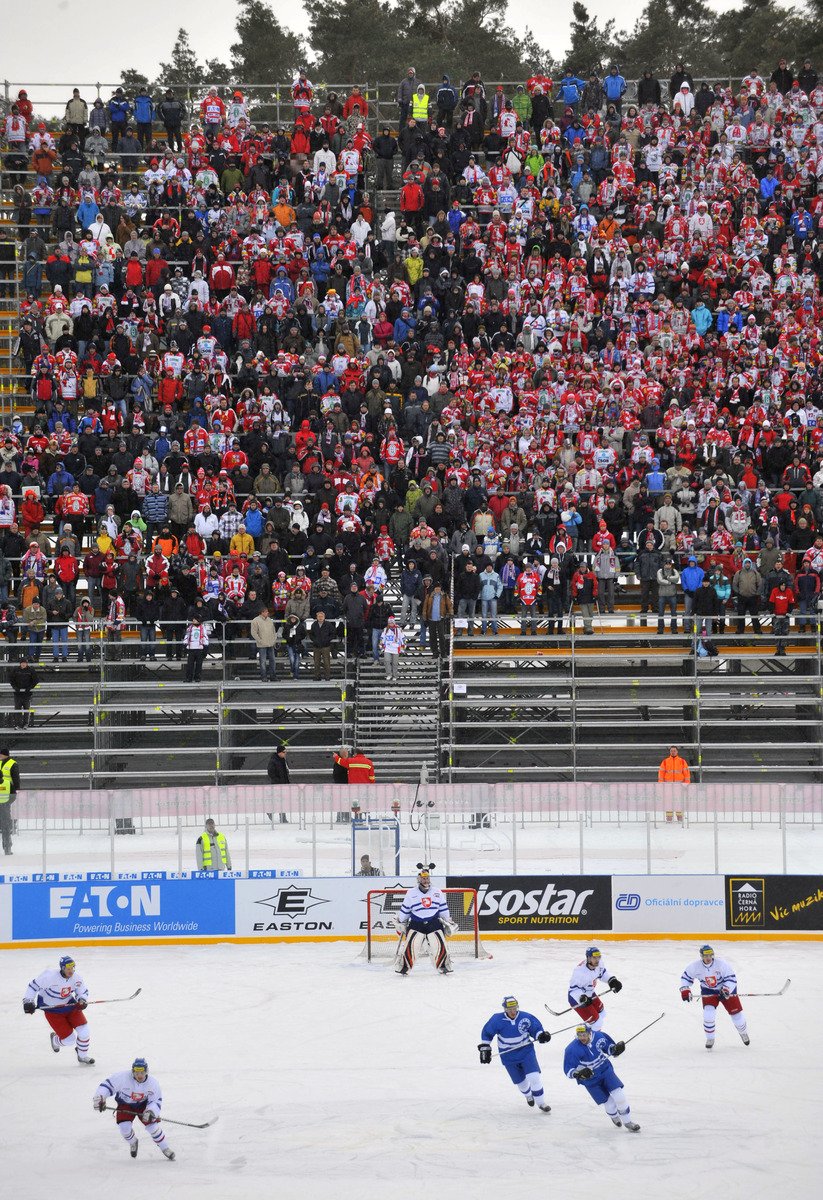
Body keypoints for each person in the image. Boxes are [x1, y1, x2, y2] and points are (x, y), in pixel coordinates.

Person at [478, 996, 552, 1112]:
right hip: (508, 1056)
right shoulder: (497, 1020)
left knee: (534, 1077)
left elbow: (536, 1029)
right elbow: (487, 1033)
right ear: (505, 1009)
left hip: (526, 1051)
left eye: (514, 1008)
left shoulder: (526, 1017)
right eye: (509, 1009)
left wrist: (541, 1035)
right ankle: (528, 1095)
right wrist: (485, 1048)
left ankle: (541, 1103)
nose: (512, 1011)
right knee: (521, 1083)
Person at [93, 1057, 175, 1160]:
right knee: (124, 1128)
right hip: (125, 1105)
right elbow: (107, 1085)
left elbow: (156, 1101)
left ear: (146, 1071)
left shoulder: (153, 1083)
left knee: (152, 1127)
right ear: (133, 1071)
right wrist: (101, 1097)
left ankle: (165, 1148)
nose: (139, 1076)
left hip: (144, 1106)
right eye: (136, 1073)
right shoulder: (122, 1077)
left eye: (142, 1072)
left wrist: (151, 1111)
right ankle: (133, 1142)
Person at [563, 1023, 639, 1131]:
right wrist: (578, 1073)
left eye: (584, 1035)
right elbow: (568, 1069)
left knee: (620, 1096)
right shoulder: (572, 1049)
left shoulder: (599, 1036)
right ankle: (614, 1116)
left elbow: (609, 1048)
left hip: (605, 1070)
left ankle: (628, 1122)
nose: (582, 1038)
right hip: (590, 1080)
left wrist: (616, 1049)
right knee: (610, 1103)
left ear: (590, 1033)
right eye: (579, 1035)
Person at [22, 954, 94, 1063]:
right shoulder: (49, 976)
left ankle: (82, 1056)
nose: (71, 971)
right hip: (53, 1011)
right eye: (68, 969)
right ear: (62, 968)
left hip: (70, 1006)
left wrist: (82, 1000)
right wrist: (28, 1001)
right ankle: (55, 1040)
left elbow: (82, 992)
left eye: (73, 968)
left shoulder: (76, 978)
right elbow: (33, 986)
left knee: (85, 1032)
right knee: (69, 1041)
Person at [680, 944, 750, 1050]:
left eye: (710, 955)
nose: (708, 958)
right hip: (708, 990)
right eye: (705, 956)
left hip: (725, 989)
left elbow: (732, 979)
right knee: (708, 1015)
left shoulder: (721, 964)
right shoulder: (695, 966)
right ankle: (710, 1038)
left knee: (736, 1015)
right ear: (701, 956)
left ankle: (743, 1033)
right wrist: (685, 989)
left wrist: (726, 990)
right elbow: (685, 978)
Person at [394, 868, 456, 975]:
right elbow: (405, 911)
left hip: (434, 923)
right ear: (419, 879)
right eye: (423, 879)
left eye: (427, 878)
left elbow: (443, 909)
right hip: (416, 924)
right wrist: (401, 920)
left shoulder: (437, 892)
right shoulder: (411, 893)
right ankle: (404, 967)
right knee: (412, 945)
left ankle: (444, 965)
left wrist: (447, 921)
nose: (425, 880)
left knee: (439, 945)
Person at [568, 946, 622, 1031]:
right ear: (588, 958)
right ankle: (588, 1038)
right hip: (577, 999)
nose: (597, 960)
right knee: (597, 1023)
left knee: (602, 1013)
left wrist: (612, 980)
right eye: (594, 957)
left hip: (590, 993)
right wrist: (582, 998)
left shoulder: (599, 964)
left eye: (599, 957)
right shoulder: (579, 972)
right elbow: (573, 991)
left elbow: (602, 973)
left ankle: (590, 1029)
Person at [658, 745, 690, 821]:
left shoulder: (682, 761)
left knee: (678, 800)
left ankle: (679, 817)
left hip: (679, 785)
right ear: (670, 752)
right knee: (668, 801)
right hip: (668, 786)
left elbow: (687, 774)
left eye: (674, 751)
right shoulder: (665, 762)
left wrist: (686, 784)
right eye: (671, 751)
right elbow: (661, 774)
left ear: (677, 751)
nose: (673, 752)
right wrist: (661, 784)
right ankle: (669, 817)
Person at [0, 745, 20, 854]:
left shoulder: (12, 764)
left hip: (7, 795)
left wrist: (15, 790)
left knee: (5, 825)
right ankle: (7, 847)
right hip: (6, 796)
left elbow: (16, 778)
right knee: (5, 825)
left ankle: (7, 847)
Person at [9, 655, 37, 728]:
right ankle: (18, 724)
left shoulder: (31, 670)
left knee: (26, 710)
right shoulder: (15, 670)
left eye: (25, 663)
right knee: (17, 710)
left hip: (27, 694)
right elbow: (11, 680)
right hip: (17, 694)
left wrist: (30, 688)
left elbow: (36, 681)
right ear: (20, 663)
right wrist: (15, 687)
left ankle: (25, 724)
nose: (23, 664)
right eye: (22, 663)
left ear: (27, 663)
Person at [769, 578, 795, 658]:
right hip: (776, 615)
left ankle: (783, 648)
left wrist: (789, 612)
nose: (783, 587)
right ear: (779, 586)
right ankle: (778, 648)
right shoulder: (775, 591)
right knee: (777, 632)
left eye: (784, 585)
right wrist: (772, 612)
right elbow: (771, 602)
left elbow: (791, 603)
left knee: (785, 632)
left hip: (785, 616)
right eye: (781, 585)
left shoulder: (789, 591)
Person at [250, 606, 278, 681]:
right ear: (262, 613)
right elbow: (254, 633)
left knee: (273, 660)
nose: (267, 613)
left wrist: (274, 639)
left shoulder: (270, 620)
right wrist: (260, 640)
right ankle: (264, 676)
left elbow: (273, 631)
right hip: (262, 644)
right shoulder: (255, 621)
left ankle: (273, 676)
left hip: (270, 643)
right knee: (263, 661)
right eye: (266, 612)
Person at [309, 609, 334, 680]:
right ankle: (317, 676)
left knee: (327, 662)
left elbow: (333, 633)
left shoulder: (328, 624)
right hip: (316, 646)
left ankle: (327, 676)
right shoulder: (314, 624)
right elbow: (311, 634)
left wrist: (327, 640)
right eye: (319, 616)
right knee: (316, 663)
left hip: (325, 646)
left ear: (324, 617)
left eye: (321, 616)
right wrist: (314, 640)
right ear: (316, 617)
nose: (320, 618)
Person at [183, 615, 209, 682]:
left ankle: (197, 677)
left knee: (199, 665)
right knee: (189, 665)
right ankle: (188, 678)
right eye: (193, 619)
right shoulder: (190, 628)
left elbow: (205, 638)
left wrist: (205, 648)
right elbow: (186, 637)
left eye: (195, 619)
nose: (193, 620)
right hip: (191, 648)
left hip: (199, 649)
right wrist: (185, 646)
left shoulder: (202, 628)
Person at [379, 613, 405, 680]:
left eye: (392, 623)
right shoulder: (386, 629)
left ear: (394, 622)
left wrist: (402, 647)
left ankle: (395, 675)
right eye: (389, 623)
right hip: (387, 648)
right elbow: (382, 638)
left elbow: (402, 638)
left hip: (396, 648)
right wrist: (381, 645)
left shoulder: (398, 629)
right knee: (387, 661)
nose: (390, 624)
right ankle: (389, 674)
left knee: (395, 663)